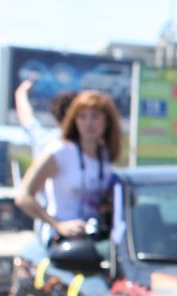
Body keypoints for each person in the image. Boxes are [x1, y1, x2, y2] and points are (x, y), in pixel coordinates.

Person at [16, 89, 122, 241]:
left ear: (107, 122)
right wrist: (58, 225)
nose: (89, 123)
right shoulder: (60, 151)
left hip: (96, 236)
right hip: (62, 240)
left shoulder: (105, 156)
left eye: (95, 116)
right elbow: (23, 197)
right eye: (83, 117)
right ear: (74, 120)